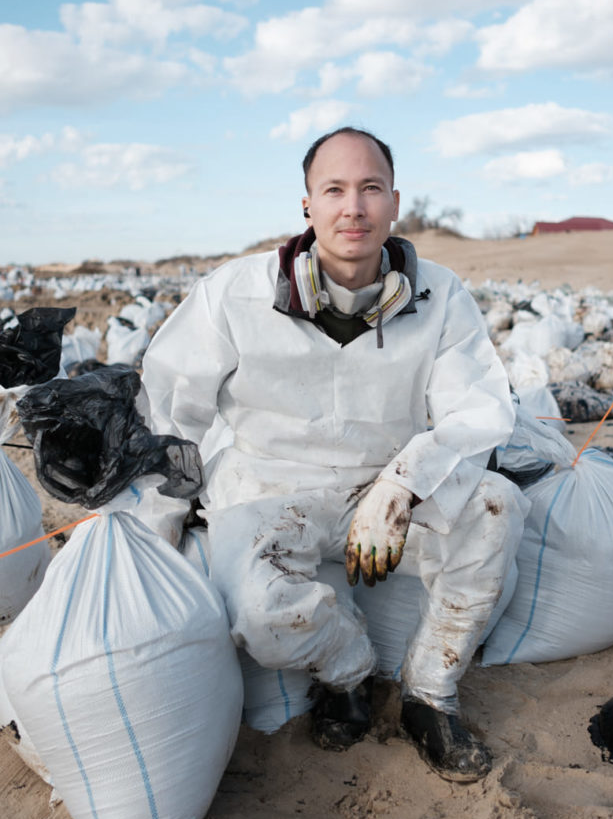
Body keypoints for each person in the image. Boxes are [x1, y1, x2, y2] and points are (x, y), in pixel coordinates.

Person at [137, 127, 526, 780]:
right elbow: (170, 411)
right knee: (258, 611)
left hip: (383, 490)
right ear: (307, 206)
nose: (354, 208)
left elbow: (479, 409)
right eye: (335, 190)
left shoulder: (438, 294)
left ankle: (428, 694)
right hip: (269, 491)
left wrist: (402, 483)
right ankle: (346, 675)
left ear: (395, 201)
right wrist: (154, 530)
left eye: (370, 189)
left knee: (494, 505)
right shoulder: (235, 293)